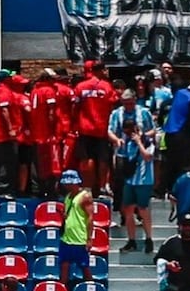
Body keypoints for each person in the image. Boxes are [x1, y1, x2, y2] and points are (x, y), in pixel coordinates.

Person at [108, 89, 154, 223]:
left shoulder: (144, 112)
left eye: (130, 103)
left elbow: (152, 130)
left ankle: (140, 212)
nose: (127, 106)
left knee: (139, 185)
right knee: (121, 185)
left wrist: (142, 137)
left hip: (140, 154)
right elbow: (110, 131)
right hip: (123, 154)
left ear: (134, 100)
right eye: (125, 103)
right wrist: (116, 140)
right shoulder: (117, 113)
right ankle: (124, 214)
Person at [74, 61, 117, 196]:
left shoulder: (80, 86)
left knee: (87, 159)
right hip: (101, 128)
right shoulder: (107, 87)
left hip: (84, 128)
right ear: (101, 70)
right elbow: (113, 104)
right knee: (102, 159)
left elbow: (74, 107)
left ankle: (87, 187)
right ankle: (102, 186)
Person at [118, 117, 156, 254]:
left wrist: (139, 142)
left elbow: (147, 156)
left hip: (144, 181)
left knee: (143, 209)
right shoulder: (127, 143)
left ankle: (149, 238)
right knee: (128, 209)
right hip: (130, 180)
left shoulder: (148, 141)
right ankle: (131, 240)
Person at [0, 69, 24, 200]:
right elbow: (4, 110)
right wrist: (10, 129)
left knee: (0, 161)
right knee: (8, 162)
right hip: (4, 135)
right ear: (6, 79)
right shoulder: (4, 92)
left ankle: (1, 189)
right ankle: (5, 190)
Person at [154, 214, 190, 291]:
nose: (187, 228)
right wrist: (168, 265)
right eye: (184, 225)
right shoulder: (170, 242)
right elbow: (157, 260)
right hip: (174, 287)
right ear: (179, 226)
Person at [59, 169, 94, 286]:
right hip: (66, 238)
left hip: (79, 238)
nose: (65, 186)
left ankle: (91, 287)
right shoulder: (68, 196)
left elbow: (90, 218)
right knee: (64, 266)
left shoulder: (85, 197)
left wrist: (89, 239)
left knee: (85, 267)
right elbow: (69, 214)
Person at [28, 69, 59, 198]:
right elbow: (51, 113)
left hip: (35, 133)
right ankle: (49, 190)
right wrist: (53, 129)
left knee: (36, 162)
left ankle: (37, 189)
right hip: (46, 133)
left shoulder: (34, 91)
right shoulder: (49, 91)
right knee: (49, 163)